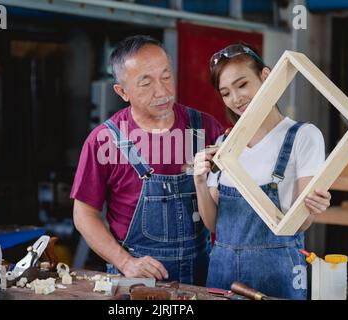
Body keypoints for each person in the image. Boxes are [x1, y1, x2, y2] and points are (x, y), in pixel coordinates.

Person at [71, 35, 224, 285]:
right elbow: (84, 215)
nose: (162, 91)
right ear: (122, 92)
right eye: (146, 83)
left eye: (166, 76)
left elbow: (229, 203)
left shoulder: (204, 128)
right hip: (138, 281)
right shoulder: (104, 140)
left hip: (203, 273)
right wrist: (125, 262)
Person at [193, 43, 331, 299]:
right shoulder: (225, 145)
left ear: (266, 76)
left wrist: (314, 206)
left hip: (277, 271)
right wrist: (200, 182)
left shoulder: (303, 136)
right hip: (221, 271)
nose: (236, 98)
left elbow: (299, 224)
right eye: (225, 92)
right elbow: (213, 225)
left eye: (242, 84)